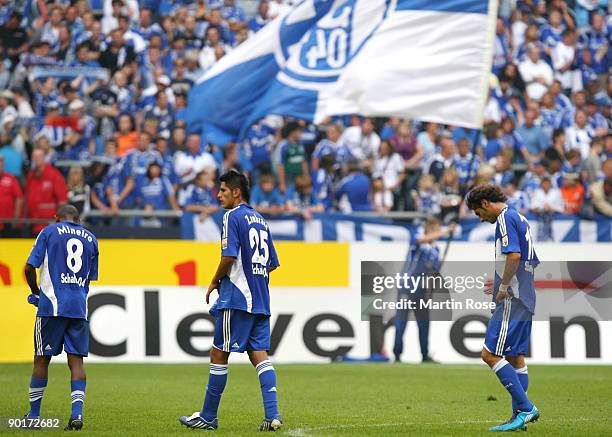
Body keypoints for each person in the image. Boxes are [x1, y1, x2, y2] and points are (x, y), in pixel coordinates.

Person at [179, 170, 282, 432]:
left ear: (236, 192)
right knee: (259, 354)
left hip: (237, 297)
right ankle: (273, 415)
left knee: (218, 352)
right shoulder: (261, 219)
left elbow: (228, 256)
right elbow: (272, 263)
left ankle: (208, 416)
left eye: (223, 190)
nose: (218, 195)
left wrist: (215, 281)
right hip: (260, 298)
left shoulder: (231, 216)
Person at [465, 184, 539, 432]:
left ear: (485, 203)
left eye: (478, 212)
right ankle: (519, 416)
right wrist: (499, 280)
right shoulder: (520, 217)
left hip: (513, 298)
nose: (480, 218)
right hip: (526, 295)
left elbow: (515, 256)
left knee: (489, 354)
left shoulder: (504, 219)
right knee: (515, 357)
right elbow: (530, 260)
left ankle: (527, 408)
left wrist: (504, 286)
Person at [23, 204, 99, 431]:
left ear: (57, 218)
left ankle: (34, 416)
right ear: (77, 219)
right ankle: (77, 415)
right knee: (76, 361)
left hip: (52, 306)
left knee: (41, 359)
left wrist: (36, 292)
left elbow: (29, 267)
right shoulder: (91, 238)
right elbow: (88, 278)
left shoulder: (48, 231)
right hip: (78, 307)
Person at [393, 218, 454, 364]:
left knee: (424, 323)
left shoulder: (436, 250)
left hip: (421, 290)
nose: (438, 233)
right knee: (401, 322)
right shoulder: (418, 240)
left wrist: (430, 292)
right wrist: (445, 231)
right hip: (407, 287)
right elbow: (422, 240)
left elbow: (432, 273)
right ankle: (397, 354)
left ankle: (425, 355)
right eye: (435, 229)